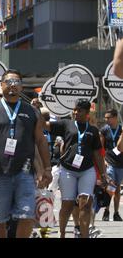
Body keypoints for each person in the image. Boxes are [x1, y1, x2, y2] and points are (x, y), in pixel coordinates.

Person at [0, 69, 52, 238]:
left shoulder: (32, 111)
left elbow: (41, 141)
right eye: (9, 82)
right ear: (2, 85)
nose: (12, 85)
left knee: (27, 217)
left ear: (21, 87)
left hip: (25, 174)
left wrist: (47, 168)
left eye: (16, 82)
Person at [44, 99, 106, 238]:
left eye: (80, 110)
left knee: (86, 203)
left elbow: (97, 153)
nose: (76, 112)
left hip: (87, 171)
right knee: (68, 204)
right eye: (75, 110)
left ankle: (84, 235)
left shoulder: (93, 130)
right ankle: (63, 234)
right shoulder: (66, 124)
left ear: (87, 113)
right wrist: (38, 112)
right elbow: (46, 125)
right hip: (67, 170)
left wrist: (103, 174)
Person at [100, 109, 123, 221]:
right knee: (110, 187)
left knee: (117, 188)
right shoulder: (104, 130)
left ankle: (116, 213)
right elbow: (101, 147)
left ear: (115, 117)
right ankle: (106, 210)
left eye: (108, 117)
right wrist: (103, 160)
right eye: (105, 117)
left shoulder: (121, 129)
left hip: (121, 163)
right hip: (109, 162)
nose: (106, 119)